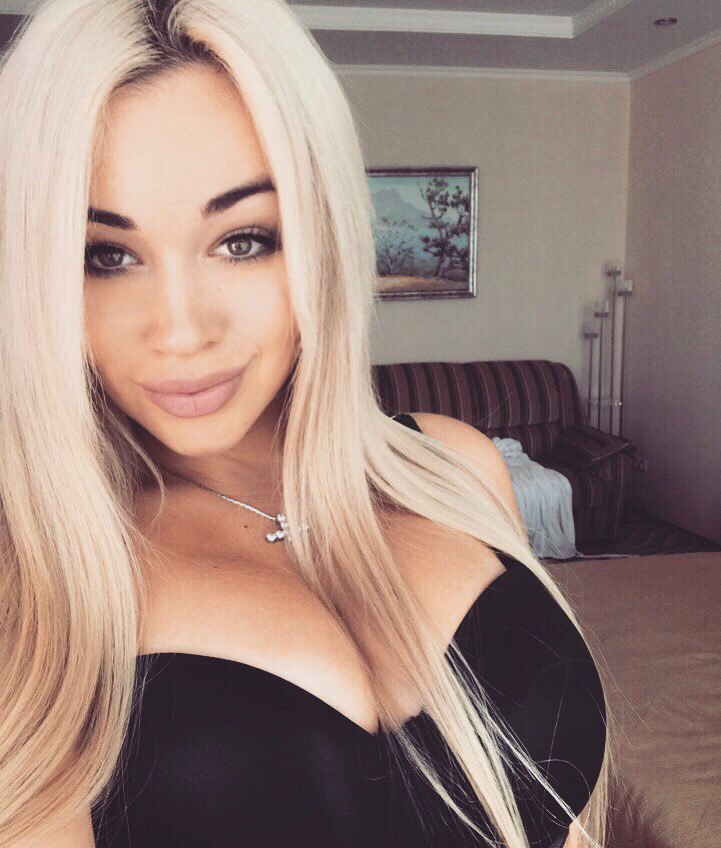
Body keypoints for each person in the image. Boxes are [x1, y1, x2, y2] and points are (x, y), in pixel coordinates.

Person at [0, 1, 612, 846]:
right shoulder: (34, 589)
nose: (181, 330)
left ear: (322, 238)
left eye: (243, 240)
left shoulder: (456, 466)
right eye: (104, 256)